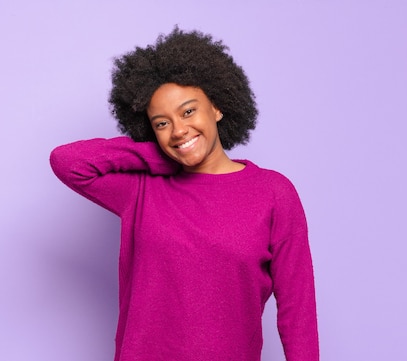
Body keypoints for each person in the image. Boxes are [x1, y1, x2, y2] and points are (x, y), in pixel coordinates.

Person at [50, 27, 319, 361]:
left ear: (217, 107)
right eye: (161, 123)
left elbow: (298, 309)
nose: (178, 130)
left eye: (188, 111)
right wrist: (160, 155)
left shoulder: (273, 193)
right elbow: (68, 162)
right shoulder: (141, 189)